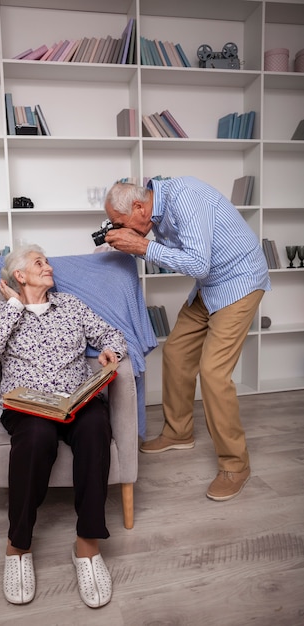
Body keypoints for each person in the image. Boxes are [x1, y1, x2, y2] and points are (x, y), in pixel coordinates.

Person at [103, 176, 271, 501]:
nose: (123, 229)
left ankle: (236, 464)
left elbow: (197, 262)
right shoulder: (156, 212)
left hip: (240, 282)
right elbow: (180, 258)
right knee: (176, 353)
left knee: (213, 372)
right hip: (209, 286)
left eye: (121, 223)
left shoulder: (187, 199)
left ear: (139, 207)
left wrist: (141, 246)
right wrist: (133, 243)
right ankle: (179, 432)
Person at [0, 244, 127, 608]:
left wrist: (111, 352)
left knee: (95, 430)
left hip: (75, 399)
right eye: (39, 263)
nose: (49, 268)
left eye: (47, 262)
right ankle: (18, 547)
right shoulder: (5, 312)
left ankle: (87, 548)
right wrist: (15, 304)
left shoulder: (71, 306)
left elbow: (110, 335)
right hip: (27, 406)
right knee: (36, 436)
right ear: (20, 275)